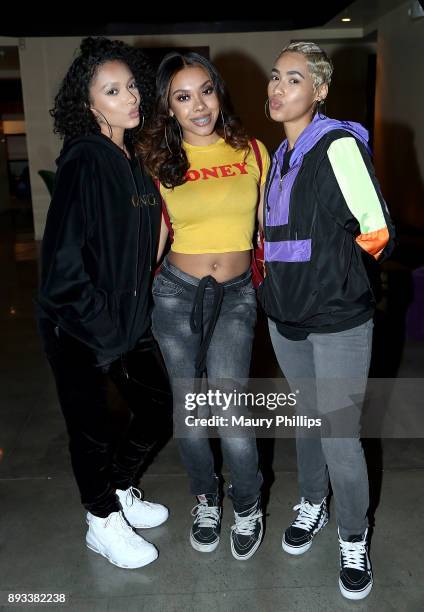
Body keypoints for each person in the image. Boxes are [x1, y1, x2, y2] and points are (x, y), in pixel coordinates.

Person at [259, 42, 395, 599]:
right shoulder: (279, 155)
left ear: (318, 92)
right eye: (274, 77)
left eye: (292, 79)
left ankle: (354, 535)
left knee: (340, 435)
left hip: (336, 318)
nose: (276, 87)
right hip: (285, 316)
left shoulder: (337, 145)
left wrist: (335, 274)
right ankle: (313, 502)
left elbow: (377, 230)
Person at [36, 37, 169, 570]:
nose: (131, 97)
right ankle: (100, 519)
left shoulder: (130, 159)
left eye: (131, 85)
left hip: (126, 319)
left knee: (159, 407)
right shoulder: (85, 162)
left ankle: (118, 489)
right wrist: (102, 326)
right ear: (90, 105)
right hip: (78, 324)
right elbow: (62, 267)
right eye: (113, 91)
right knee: (90, 428)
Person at [140, 51, 270, 560]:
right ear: (168, 107)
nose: (199, 106)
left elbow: (267, 230)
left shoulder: (252, 152)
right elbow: (153, 237)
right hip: (175, 295)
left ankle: (247, 503)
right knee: (191, 411)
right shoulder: (156, 162)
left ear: (219, 92)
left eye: (205, 91)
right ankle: (205, 498)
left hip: (237, 296)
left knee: (232, 409)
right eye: (183, 96)